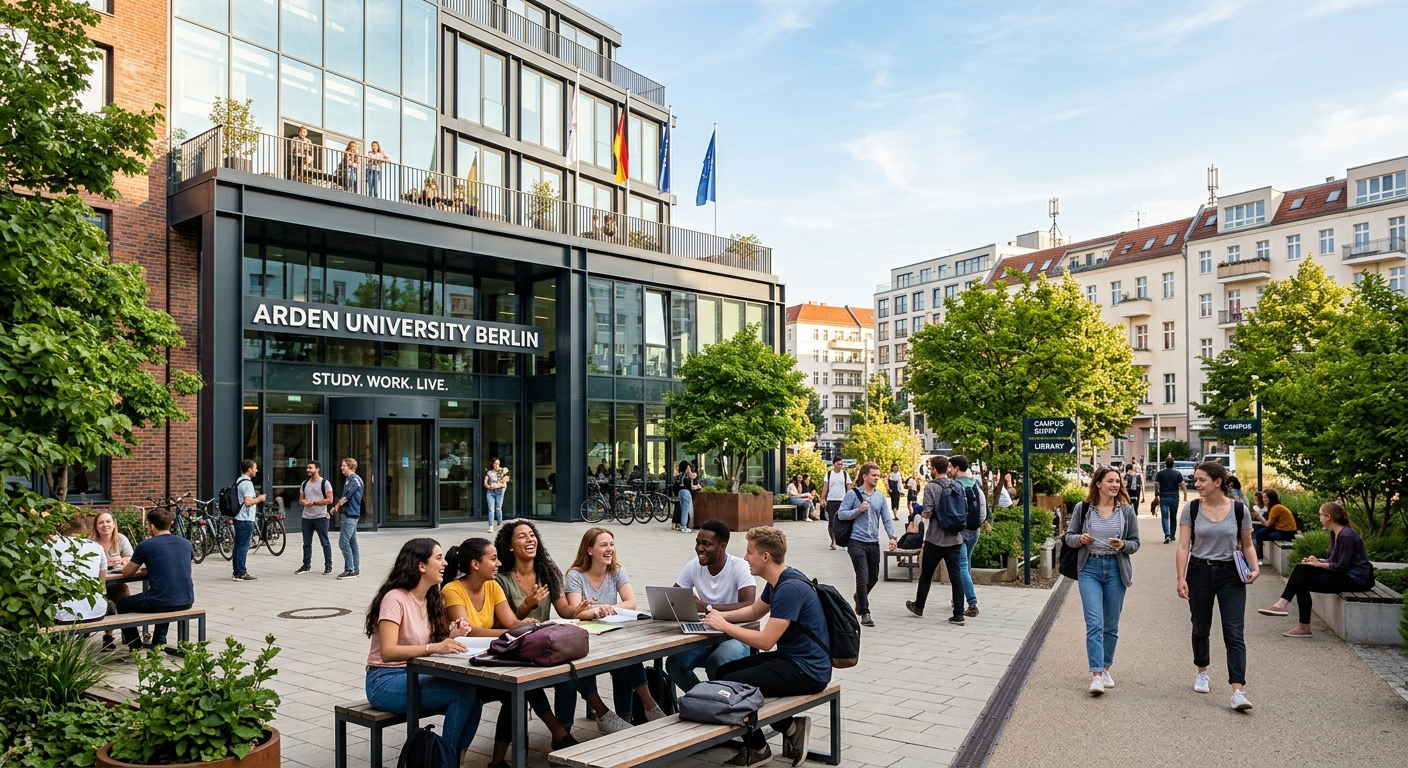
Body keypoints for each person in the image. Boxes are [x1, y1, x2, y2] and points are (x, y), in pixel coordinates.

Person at [442, 538, 579, 764]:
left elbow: (511, 622)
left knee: (518, 689)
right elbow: (468, 630)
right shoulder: (452, 589)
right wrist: (507, 634)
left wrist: (532, 626)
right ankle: (558, 734)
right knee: (515, 689)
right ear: (475, 564)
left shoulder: (492, 586)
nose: (498, 564)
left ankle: (499, 762)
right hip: (466, 669)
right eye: (493, 559)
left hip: (488, 659)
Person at [701, 526, 829, 768]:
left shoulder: (790, 588)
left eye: (749, 552)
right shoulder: (778, 581)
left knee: (733, 686)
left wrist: (725, 627)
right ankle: (790, 728)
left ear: (765, 557)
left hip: (808, 671)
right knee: (722, 674)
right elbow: (753, 611)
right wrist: (717, 617)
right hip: (791, 661)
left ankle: (759, 748)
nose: (745, 558)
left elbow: (765, 641)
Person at [363, 538, 481, 768]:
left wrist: (451, 637)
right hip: (384, 680)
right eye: (439, 558)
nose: (445, 563)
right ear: (421, 565)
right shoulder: (394, 598)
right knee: (463, 692)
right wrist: (434, 647)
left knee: (475, 695)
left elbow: (429, 643)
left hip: (413, 676)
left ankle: (450, 759)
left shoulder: (430, 597)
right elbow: (388, 652)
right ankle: (444, 762)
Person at [1175, 461, 1259, 711]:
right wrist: (1181, 578)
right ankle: (1202, 670)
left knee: (1234, 631)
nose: (1196, 484)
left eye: (1201, 480)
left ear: (1218, 482)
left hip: (1230, 574)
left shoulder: (1238, 510)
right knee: (1200, 626)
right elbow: (1183, 546)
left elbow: (1248, 544)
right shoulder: (1191, 509)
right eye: (1195, 480)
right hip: (1199, 571)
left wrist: (1255, 568)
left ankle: (1238, 690)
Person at [564, 528, 666, 729]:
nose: (609, 549)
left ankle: (635, 714)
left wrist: (607, 608)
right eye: (604, 545)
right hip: (586, 636)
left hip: (610, 631)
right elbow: (576, 612)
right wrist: (594, 611)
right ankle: (631, 713)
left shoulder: (617, 571)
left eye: (611, 544)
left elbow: (631, 603)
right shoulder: (575, 575)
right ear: (590, 550)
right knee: (586, 665)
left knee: (627, 658)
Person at [492, 520, 581, 725]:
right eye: (522, 536)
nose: (530, 539)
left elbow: (565, 610)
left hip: (545, 646)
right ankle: (558, 732)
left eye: (532, 535)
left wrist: (580, 610)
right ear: (510, 546)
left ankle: (563, 733)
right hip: (515, 648)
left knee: (569, 681)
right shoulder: (500, 580)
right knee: (529, 684)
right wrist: (527, 605)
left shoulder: (547, 572)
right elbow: (502, 623)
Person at [1065, 467, 1140, 696]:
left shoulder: (1126, 511)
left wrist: (1123, 545)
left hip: (1116, 570)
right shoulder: (1083, 508)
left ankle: (1106, 667)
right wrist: (1081, 539)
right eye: (1110, 481)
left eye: (1117, 481)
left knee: (1111, 624)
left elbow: (1135, 543)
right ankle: (1096, 674)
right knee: (1094, 622)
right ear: (1098, 483)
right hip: (1090, 568)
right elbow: (1068, 537)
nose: (1115, 485)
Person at [1258, 502, 1373, 637]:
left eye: (1321, 515)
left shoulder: (1347, 535)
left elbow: (1342, 566)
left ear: (1328, 516)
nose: (1320, 519)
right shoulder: (1335, 533)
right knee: (1302, 569)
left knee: (1303, 583)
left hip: (1355, 578)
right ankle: (1282, 605)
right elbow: (1333, 560)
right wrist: (1316, 561)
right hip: (1344, 573)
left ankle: (1302, 625)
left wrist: (1319, 564)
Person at [665, 520, 755, 692]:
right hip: (706, 633)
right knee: (675, 663)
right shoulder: (694, 566)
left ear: (722, 546)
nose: (699, 548)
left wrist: (707, 607)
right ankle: (703, 699)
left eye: (706, 544)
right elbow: (672, 597)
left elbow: (748, 604)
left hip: (736, 633)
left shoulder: (739, 567)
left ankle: (724, 704)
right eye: (697, 543)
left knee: (718, 661)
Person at [117, 506, 195, 651]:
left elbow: (127, 573)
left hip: (160, 600)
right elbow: (180, 566)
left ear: (151, 526)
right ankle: (158, 641)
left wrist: (124, 563)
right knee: (165, 594)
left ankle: (135, 645)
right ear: (171, 523)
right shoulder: (186, 543)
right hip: (187, 599)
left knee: (122, 604)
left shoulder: (145, 545)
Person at [905, 455, 967, 626]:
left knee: (926, 574)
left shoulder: (931, 487)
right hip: (955, 538)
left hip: (935, 538)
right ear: (947, 468)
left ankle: (919, 606)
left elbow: (927, 512)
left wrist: (919, 512)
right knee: (956, 576)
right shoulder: (957, 485)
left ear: (933, 469)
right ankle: (959, 614)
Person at [836, 461, 898, 628]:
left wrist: (892, 537)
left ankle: (859, 597)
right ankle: (865, 612)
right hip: (856, 542)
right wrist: (858, 510)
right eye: (873, 475)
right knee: (862, 577)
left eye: (878, 475)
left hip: (873, 542)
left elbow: (886, 518)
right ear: (865, 476)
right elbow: (841, 514)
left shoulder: (880, 498)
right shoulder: (853, 495)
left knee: (874, 577)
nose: (876, 478)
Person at [950, 455, 989, 618]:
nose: (949, 470)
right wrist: (983, 522)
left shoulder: (954, 486)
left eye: (951, 467)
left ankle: (972, 603)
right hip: (975, 530)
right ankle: (957, 598)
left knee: (961, 566)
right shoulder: (976, 485)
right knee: (967, 564)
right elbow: (983, 507)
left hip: (960, 531)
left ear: (957, 468)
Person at [51, 517, 107, 625]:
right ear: (85, 529)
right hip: (96, 611)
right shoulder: (97, 547)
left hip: (61, 615)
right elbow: (101, 582)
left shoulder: (51, 546)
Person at [91, 510, 133, 648]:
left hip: (116, 582)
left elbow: (131, 558)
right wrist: (104, 564)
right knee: (107, 603)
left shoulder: (121, 539)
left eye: (108, 522)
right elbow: (85, 565)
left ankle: (131, 637)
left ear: (114, 524)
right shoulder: (90, 542)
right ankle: (107, 636)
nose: (105, 525)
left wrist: (122, 559)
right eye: (101, 522)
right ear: (96, 526)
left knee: (125, 598)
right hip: (96, 584)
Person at [295, 460, 334, 575]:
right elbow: (300, 500)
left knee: (324, 542)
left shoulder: (325, 483)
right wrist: (304, 502)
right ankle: (306, 565)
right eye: (307, 468)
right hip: (306, 517)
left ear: (317, 469)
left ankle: (328, 566)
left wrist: (315, 502)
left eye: (311, 468)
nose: (308, 470)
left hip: (321, 516)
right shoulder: (305, 483)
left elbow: (330, 499)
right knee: (306, 543)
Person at [330, 458, 364, 579]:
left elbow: (346, 497)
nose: (342, 468)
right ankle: (355, 568)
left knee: (343, 543)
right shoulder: (349, 480)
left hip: (350, 514)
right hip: (350, 513)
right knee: (352, 542)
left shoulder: (354, 480)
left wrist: (336, 506)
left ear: (350, 466)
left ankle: (349, 569)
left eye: (344, 465)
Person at [234, 459, 264, 582]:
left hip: (238, 517)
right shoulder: (247, 484)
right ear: (249, 469)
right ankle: (241, 572)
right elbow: (248, 502)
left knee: (238, 546)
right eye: (255, 468)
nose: (256, 470)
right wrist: (259, 498)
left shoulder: (239, 481)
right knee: (243, 546)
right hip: (245, 518)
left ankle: (237, 571)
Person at [1154, 456, 1187, 544]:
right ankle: (1172, 534)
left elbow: (1156, 484)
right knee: (1173, 517)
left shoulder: (1160, 473)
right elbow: (1182, 484)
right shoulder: (1177, 474)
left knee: (1165, 517)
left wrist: (1156, 493)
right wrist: (1185, 495)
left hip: (1164, 497)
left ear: (1165, 464)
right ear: (1173, 464)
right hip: (1174, 497)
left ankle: (1167, 534)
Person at [821, 458, 852, 550]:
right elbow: (825, 486)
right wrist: (823, 498)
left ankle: (845, 541)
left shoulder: (845, 474)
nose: (840, 466)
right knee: (832, 521)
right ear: (834, 464)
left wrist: (850, 500)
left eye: (841, 464)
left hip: (843, 500)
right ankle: (833, 541)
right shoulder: (829, 474)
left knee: (845, 521)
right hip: (831, 500)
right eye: (838, 464)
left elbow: (849, 487)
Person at [674, 460, 701, 533]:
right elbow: (691, 487)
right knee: (685, 510)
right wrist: (698, 486)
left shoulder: (678, 476)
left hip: (680, 492)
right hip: (686, 492)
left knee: (683, 509)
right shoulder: (687, 476)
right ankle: (684, 526)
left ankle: (682, 525)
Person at [484, 458, 508, 534]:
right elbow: (485, 482)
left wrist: (497, 485)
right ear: (492, 464)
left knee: (498, 508)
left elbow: (504, 481)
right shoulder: (489, 473)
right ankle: (491, 526)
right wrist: (488, 486)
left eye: (498, 463)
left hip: (499, 492)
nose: (497, 465)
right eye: (495, 463)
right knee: (491, 509)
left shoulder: (501, 471)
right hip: (490, 492)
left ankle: (499, 524)